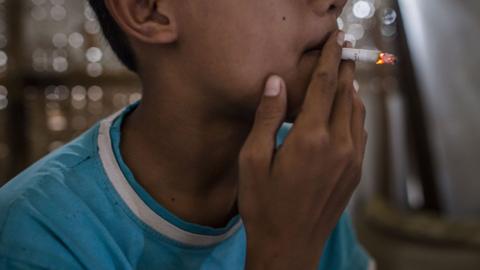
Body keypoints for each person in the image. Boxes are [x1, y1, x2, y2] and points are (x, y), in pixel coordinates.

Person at [0, 0, 375, 269]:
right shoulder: (36, 238)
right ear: (148, 8)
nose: (334, 3)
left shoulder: (304, 170)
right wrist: (286, 253)